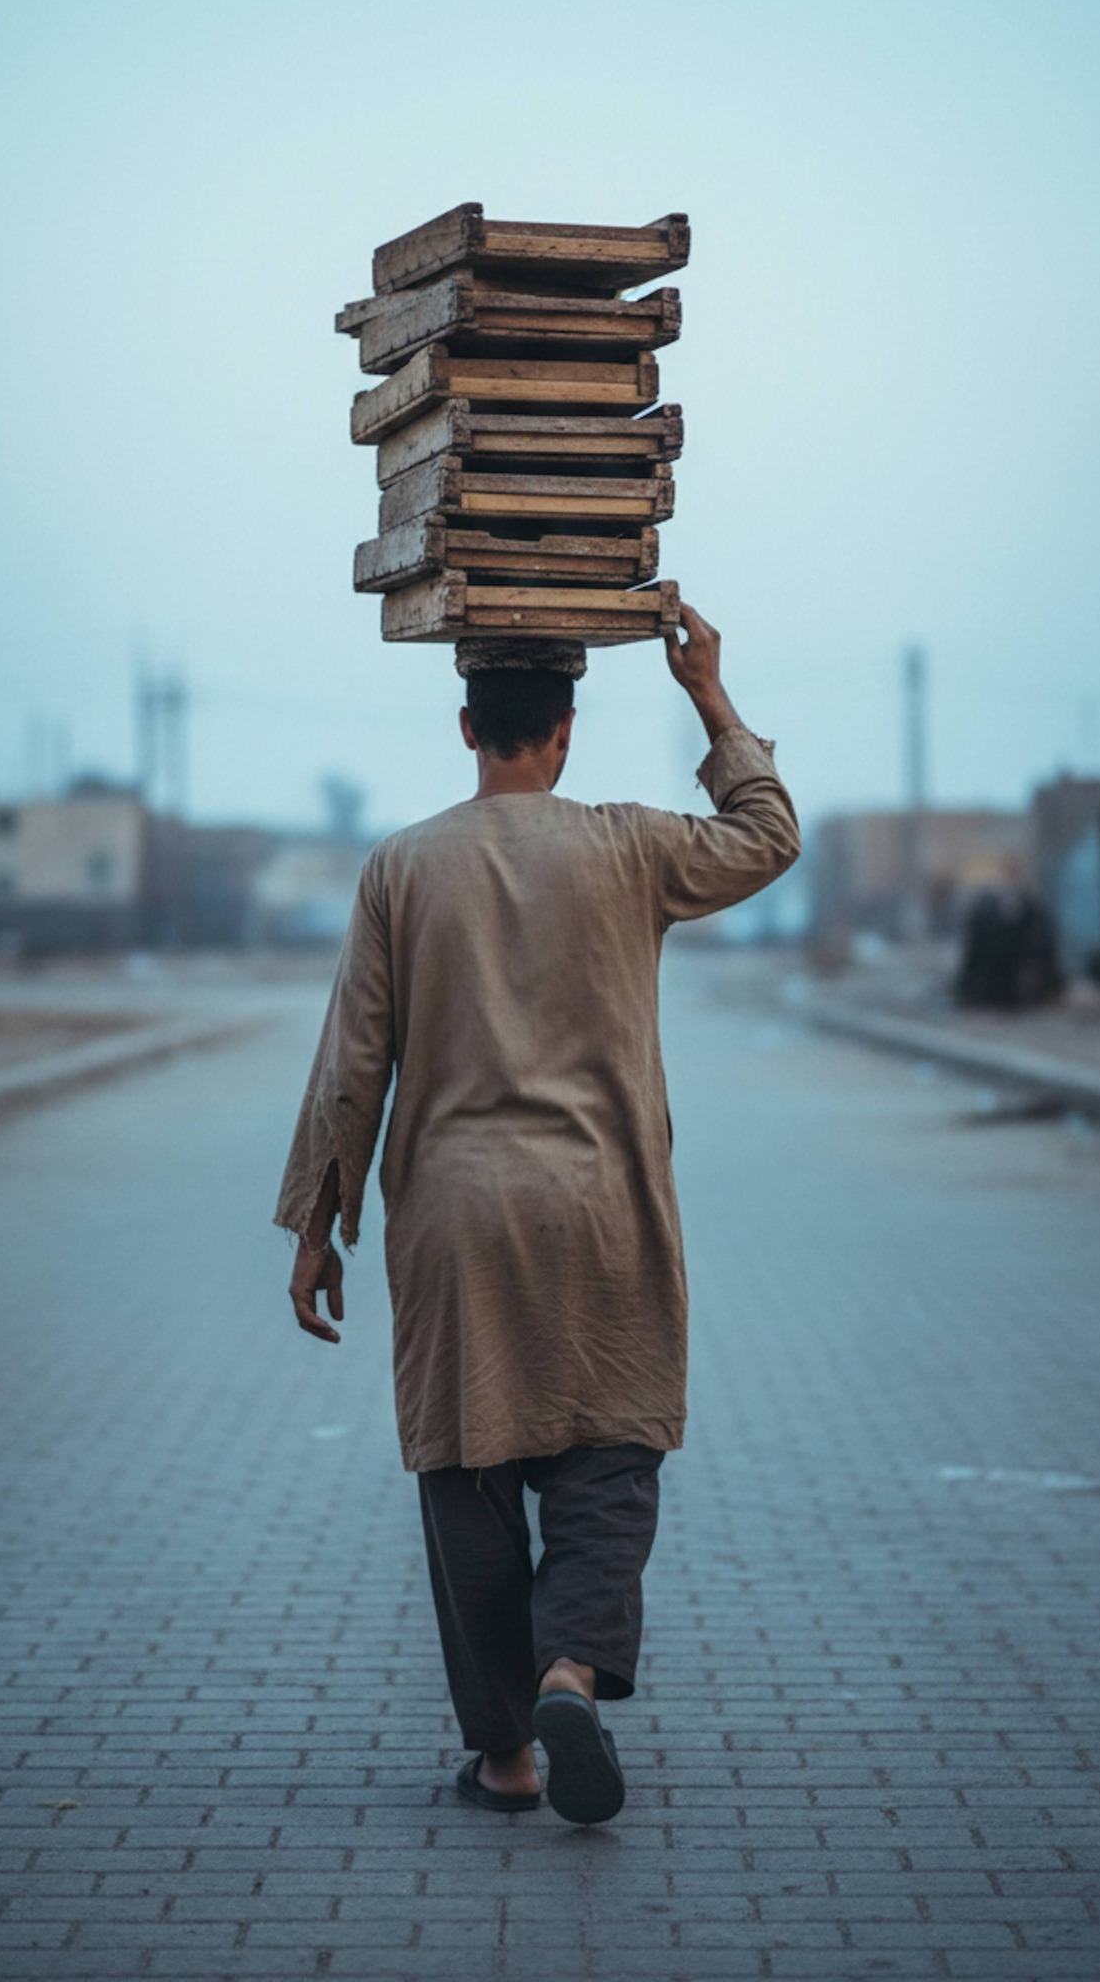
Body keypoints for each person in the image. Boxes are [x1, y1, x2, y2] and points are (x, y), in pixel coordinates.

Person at [273, 606, 801, 1824]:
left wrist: (317, 1223)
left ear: (468, 727)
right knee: (610, 1448)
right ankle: (571, 1665)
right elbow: (768, 835)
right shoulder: (628, 847)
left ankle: (507, 1754)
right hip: (603, 1200)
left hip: (453, 1218)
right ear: (565, 732)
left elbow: (355, 1062)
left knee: (467, 1463)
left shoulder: (400, 867)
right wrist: (710, 696)